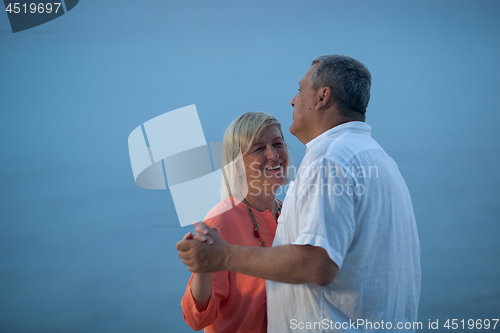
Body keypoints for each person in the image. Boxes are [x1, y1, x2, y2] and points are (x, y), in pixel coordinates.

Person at [177, 55, 421, 332]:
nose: (293, 100)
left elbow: (316, 265)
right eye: (258, 148)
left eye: (300, 89)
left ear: (322, 97)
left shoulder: (330, 161)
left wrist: (222, 256)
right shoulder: (378, 158)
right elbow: (197, 317)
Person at [180, 111, 290, 332]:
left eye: (277, 143)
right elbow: (197, 318)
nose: (273, 155)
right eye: (259, 149)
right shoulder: (219, 222)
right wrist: (202, 267)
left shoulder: (289, 212)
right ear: (238, 165)